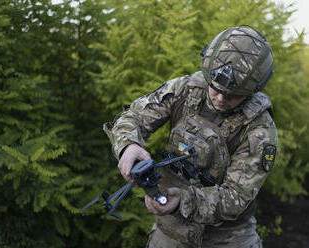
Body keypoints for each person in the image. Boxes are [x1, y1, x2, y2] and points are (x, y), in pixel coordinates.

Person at [103, 26, 278, 248]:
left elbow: (236, 197)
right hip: (171, 231)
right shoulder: (186, 90)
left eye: (234, 95)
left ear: (253, 90)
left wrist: (183, 201)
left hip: (228, 238)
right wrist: (128, 145)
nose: (221, 98)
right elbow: (133, 116)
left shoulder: (259, 130)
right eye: (215, 87)